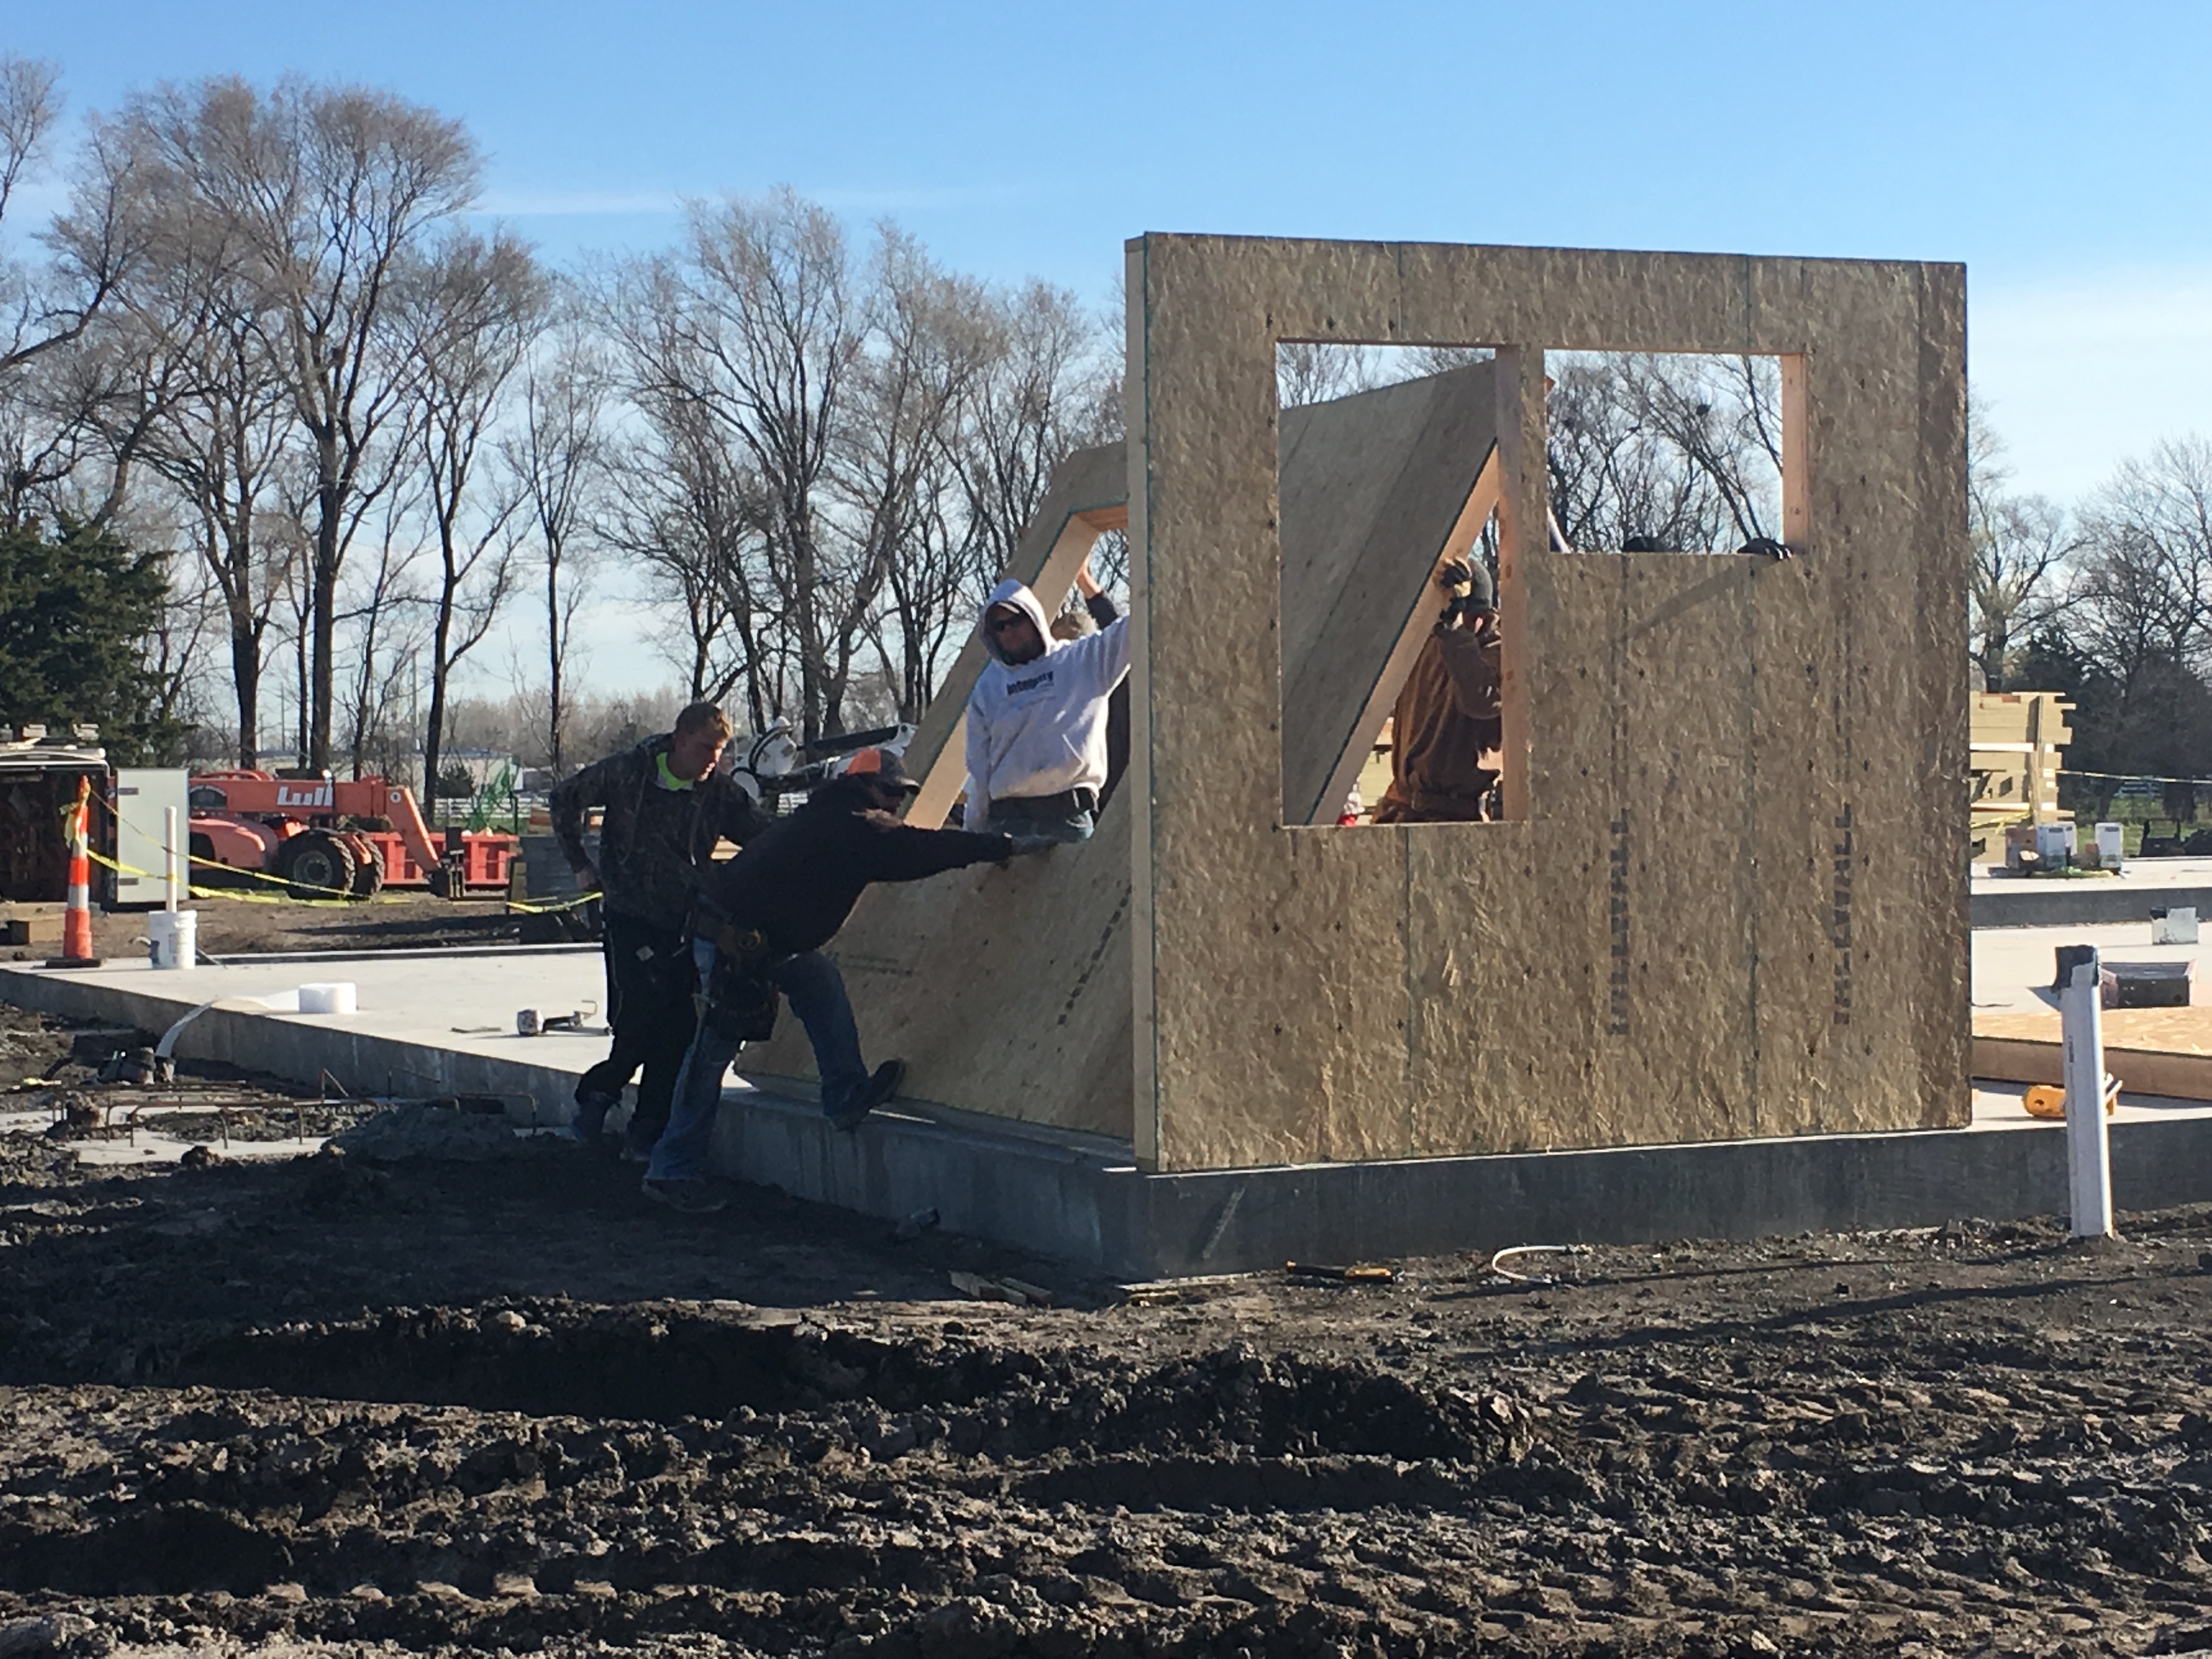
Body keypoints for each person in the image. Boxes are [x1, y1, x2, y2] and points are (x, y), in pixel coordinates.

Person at [641, 747, 1024, 1214]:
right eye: (890, 792)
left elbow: (907, 845)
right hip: (732, 943)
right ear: (863, 785)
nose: (895, 804)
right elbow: (920, 850)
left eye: (900, 796)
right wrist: (998, 846)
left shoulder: (831, 815)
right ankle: (671, 1169)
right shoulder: (852, 824)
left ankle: (844, 1095)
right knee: (712, 1052)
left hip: (763, 940)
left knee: (820, 985)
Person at [549, 703, 765, 1158]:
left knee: (681, 1027)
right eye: (706, 749)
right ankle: (597, 1098)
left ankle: (648, 1128)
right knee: (638, 1018)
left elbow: (764, 840)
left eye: (720, 752)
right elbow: (564, 798)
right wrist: (580, 865)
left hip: (686, 921)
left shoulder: (719, 794)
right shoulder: (629, 774)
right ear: (680, 738)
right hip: (630, 915)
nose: (712, 760)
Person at [964, 551, 1128, 844]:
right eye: (999, 627)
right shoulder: (989, 686)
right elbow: (979, 765)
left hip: (1067, 814)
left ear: (1035, 619)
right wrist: (973, 835)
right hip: (1008, 821)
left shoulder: (1081, 660)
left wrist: (1089, 585)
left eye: (1016, 621)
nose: (1009, 631)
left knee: (1076, 890)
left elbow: (1134, 628)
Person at [1372, 559, 1504, 824]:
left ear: (1481, 618)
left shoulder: (1499, 650)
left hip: (1453, 817)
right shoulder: (1426, 643)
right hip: (1403, 809)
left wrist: (1453, 630)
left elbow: (1482, 700)